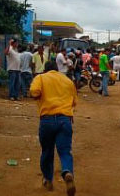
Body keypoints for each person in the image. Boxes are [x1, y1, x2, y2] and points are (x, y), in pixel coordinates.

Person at [30, 61, 77, 195]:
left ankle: (48, 180)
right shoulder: (68, 81)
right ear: (57, 69)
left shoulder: (41, 78)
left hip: (47, 120)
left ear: (45, 69)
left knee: (47, 151)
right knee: (65, 151)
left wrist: (40, 97)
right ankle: (67, 172)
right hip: (65, 119)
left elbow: (34, 92)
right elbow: (74, 102)